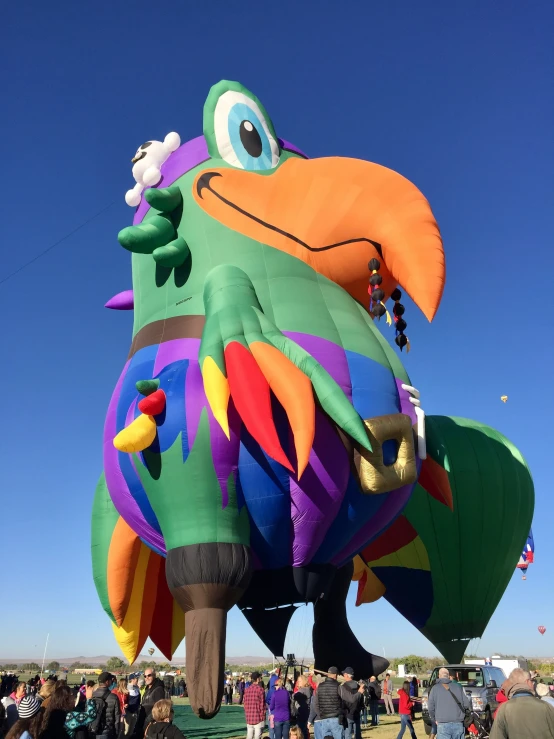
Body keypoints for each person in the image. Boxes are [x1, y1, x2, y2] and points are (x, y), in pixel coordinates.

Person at [491, 668, 554, 739]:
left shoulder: (504, 709)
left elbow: (496, 736)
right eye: (531, 681)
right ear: (527, 682)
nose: (533, 684)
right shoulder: (546, 706)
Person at [427, 668, 470, 739]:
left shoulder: (435, 688)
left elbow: (430, 707)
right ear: (448, 676)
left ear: (439, 676)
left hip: (442, 723)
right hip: (458, 722)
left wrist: (434, 719)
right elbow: (466, 704)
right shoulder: (458, 687)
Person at [310, 667, 344, 739]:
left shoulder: (320, 687)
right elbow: (343, 701)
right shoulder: (338, 686)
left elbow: (316, 703)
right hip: (335, 718)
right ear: (335, 675)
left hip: (324, 719)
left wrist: (321, 714)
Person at [90, 672, 121, 739]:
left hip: (93, 730)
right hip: (107, 731)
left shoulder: (92, 696)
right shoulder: (113, 697)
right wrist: (117, 732)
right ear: (107, 682)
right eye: (110, 680)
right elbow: (117, 717)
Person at [136, 670, 164, 737]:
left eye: (149, 675)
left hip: (151, 723)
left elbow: (158, 708)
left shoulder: (158, 689)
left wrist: (148, 721)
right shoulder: (147, 688)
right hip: (143, 719)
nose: (146, 678)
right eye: (145, 676)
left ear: (154, 675)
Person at [339, 668, 364, 739]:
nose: (343, 676)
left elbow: (342, 701)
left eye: (344, 674)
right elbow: (361, 701)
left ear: (347, 675)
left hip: (347, 714)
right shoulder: (359, 686)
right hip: (357, 713)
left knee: (347, 735)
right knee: (358, 735)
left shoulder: (343, 687)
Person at [243, 671, 265, 739]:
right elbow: (262, 705)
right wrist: (263, 717)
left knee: (249, 735)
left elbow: (245, 704)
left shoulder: (247, 690)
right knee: (257, 736)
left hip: (249, 717)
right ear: (258, 679)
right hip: (258, 717)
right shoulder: (260, 690)